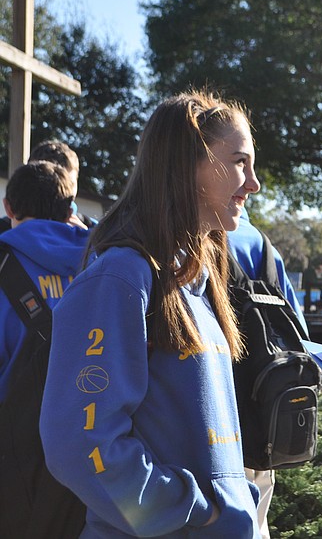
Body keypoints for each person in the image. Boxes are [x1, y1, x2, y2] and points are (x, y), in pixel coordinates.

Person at [39, 90, 263, 538]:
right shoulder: (121, 278)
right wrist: (196, 512)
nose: (253, 183)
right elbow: (79, 444)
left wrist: (238, 507)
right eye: (240, 162)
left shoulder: (197, 283)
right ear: (189, 164)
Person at [228, 211, 308, 539]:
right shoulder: (265, 247)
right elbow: (299, 331)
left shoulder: (199, 237)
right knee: (258, 520)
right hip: (268, 413)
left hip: (225, 411)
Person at [0, 161, 89, 400]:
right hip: (87, 423)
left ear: (8, 208)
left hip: (14, 427)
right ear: (70, 212)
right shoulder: (101, 260)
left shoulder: (4, 261)